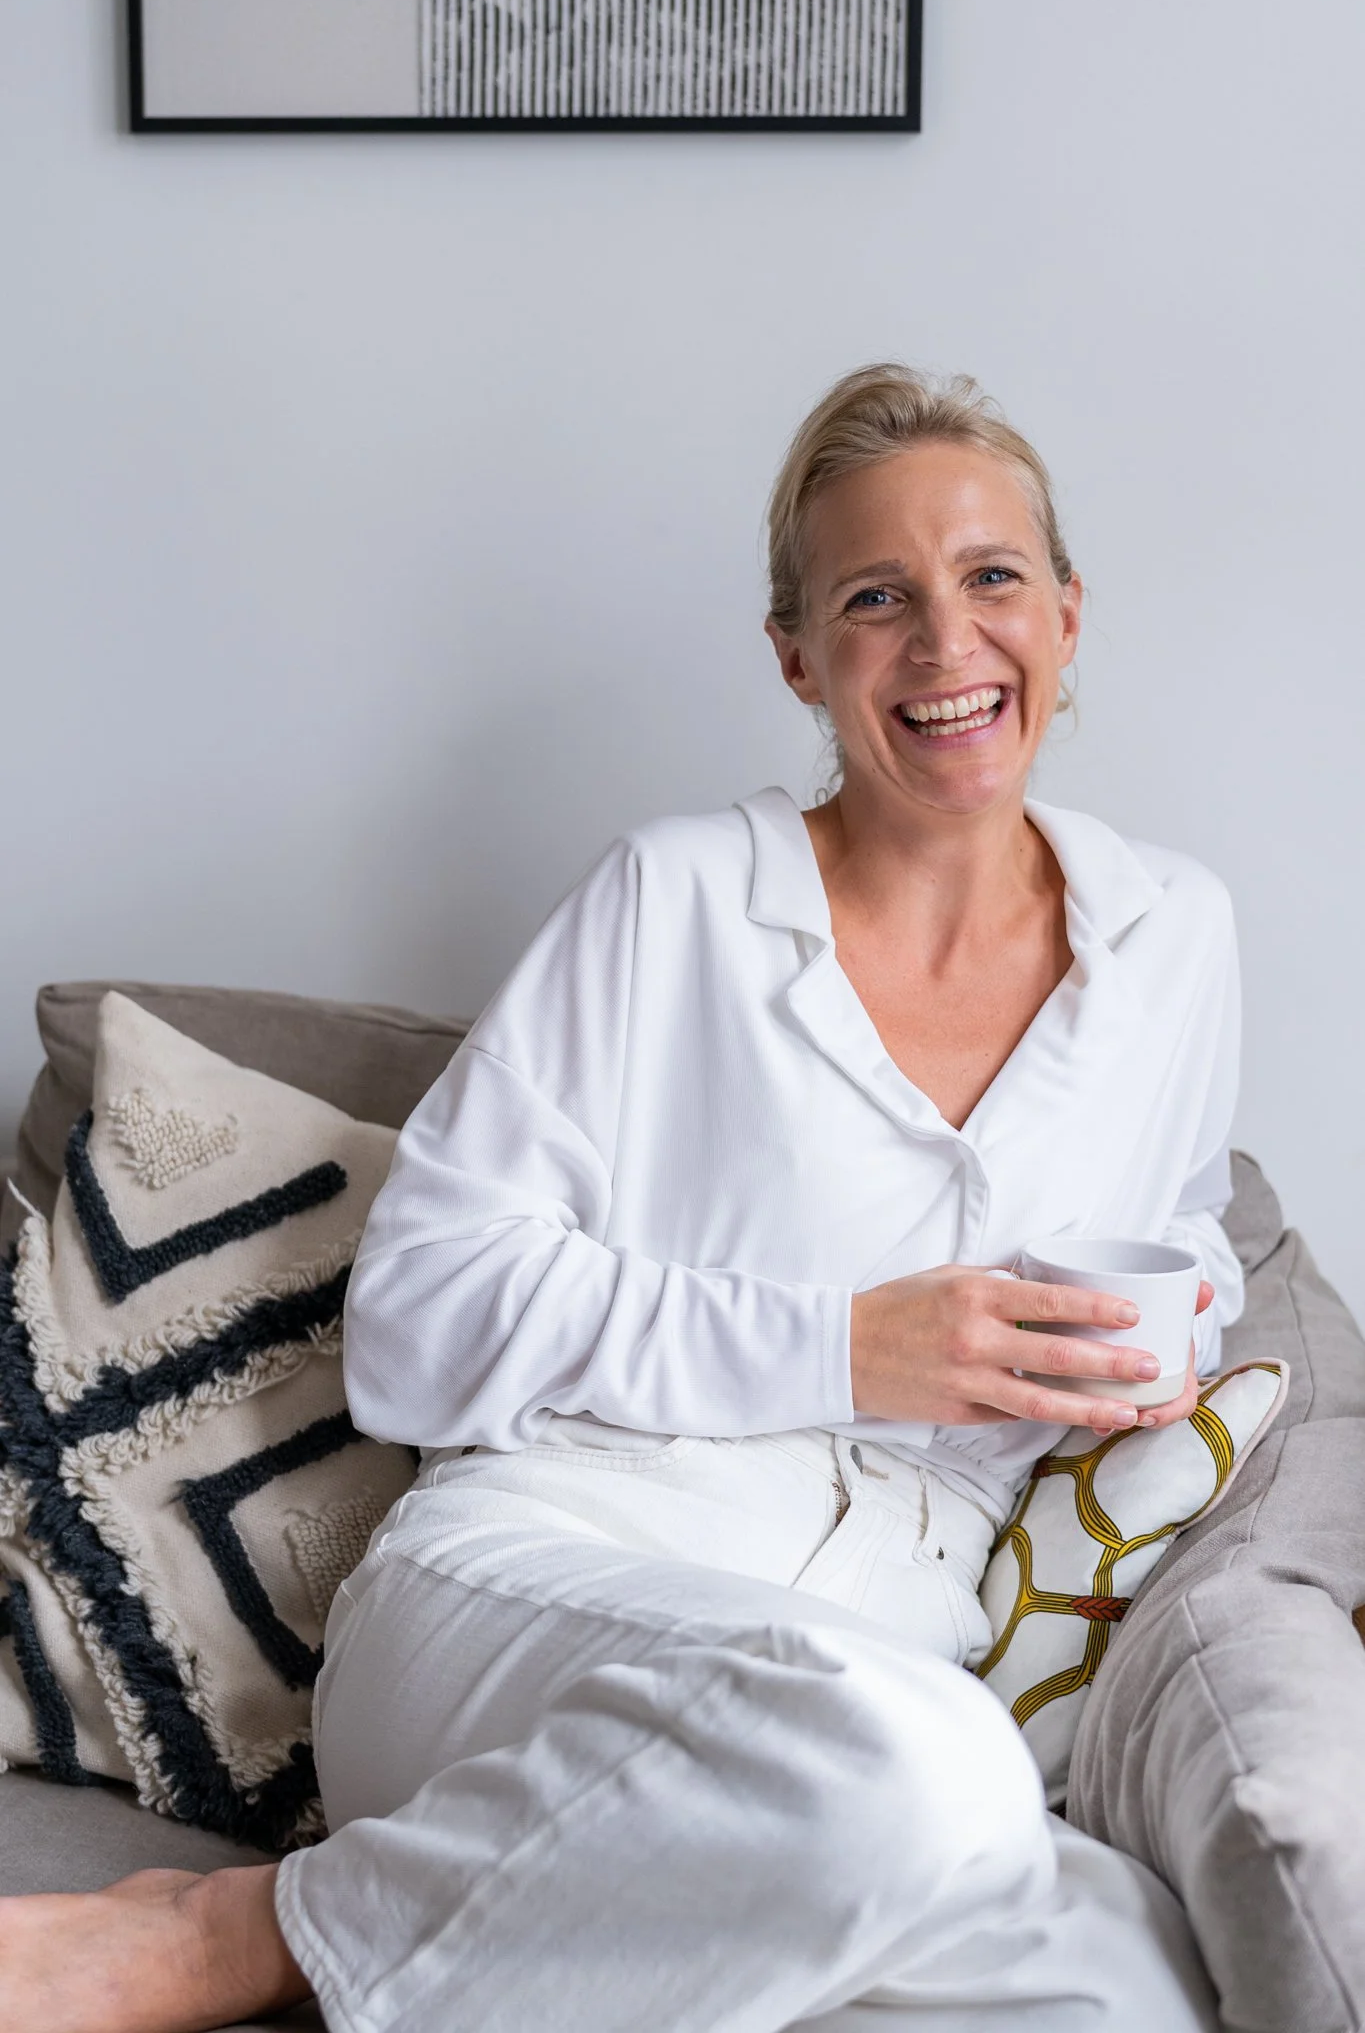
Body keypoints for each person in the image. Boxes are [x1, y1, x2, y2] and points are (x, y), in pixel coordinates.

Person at [0, 365, 1243, 2031]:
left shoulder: (1175, 940)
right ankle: (244, 1936)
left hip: (891, 1640)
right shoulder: (676, 900)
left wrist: (1166, 1339)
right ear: (798, 657)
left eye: (992, 576)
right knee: (927, 1774)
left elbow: (1191, 1238)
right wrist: (845, 1346)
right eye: (876, 598)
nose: (947, 640)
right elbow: (418, 1320)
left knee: (1132, 1978)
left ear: (1067, 616)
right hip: (561, 1566)